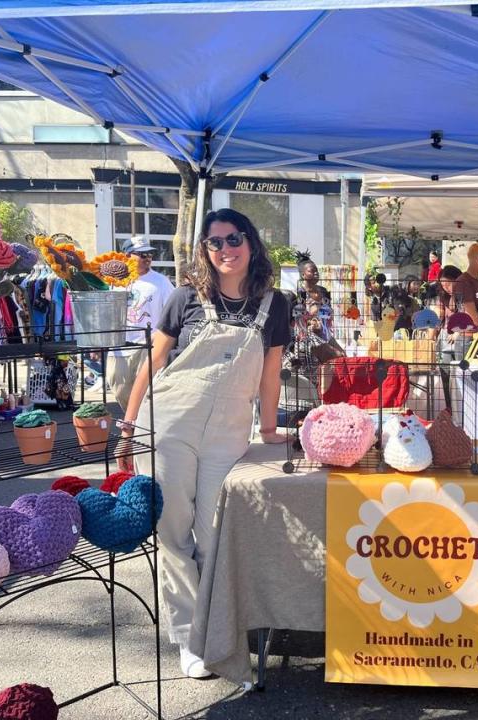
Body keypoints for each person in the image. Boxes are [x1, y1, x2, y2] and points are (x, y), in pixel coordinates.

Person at [117, 208, 290, 678]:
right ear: (204, 251)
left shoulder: (277, 304)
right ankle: (190, 638)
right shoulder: (185, 296)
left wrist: (269, 429)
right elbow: (154, 360)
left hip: (229, 431)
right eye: (215, 243)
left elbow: (271, 373)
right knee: (172, 529)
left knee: (216, 532)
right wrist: (129, 425)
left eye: (234, 239)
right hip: (171, 418)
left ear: (251, 243)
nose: (226, 250)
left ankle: (216, 630)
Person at [105, 236, 175, 412]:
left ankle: (139, 428)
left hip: (148, 346)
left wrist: (160, 336)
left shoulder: (161, 282)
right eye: (142, 255)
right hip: (119, 346)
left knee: (147, 394)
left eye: (150, 254)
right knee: (119, 390)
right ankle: (134, 421)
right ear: (127, 255)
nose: (147, 258)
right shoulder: (114, 282)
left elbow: (173, 312)